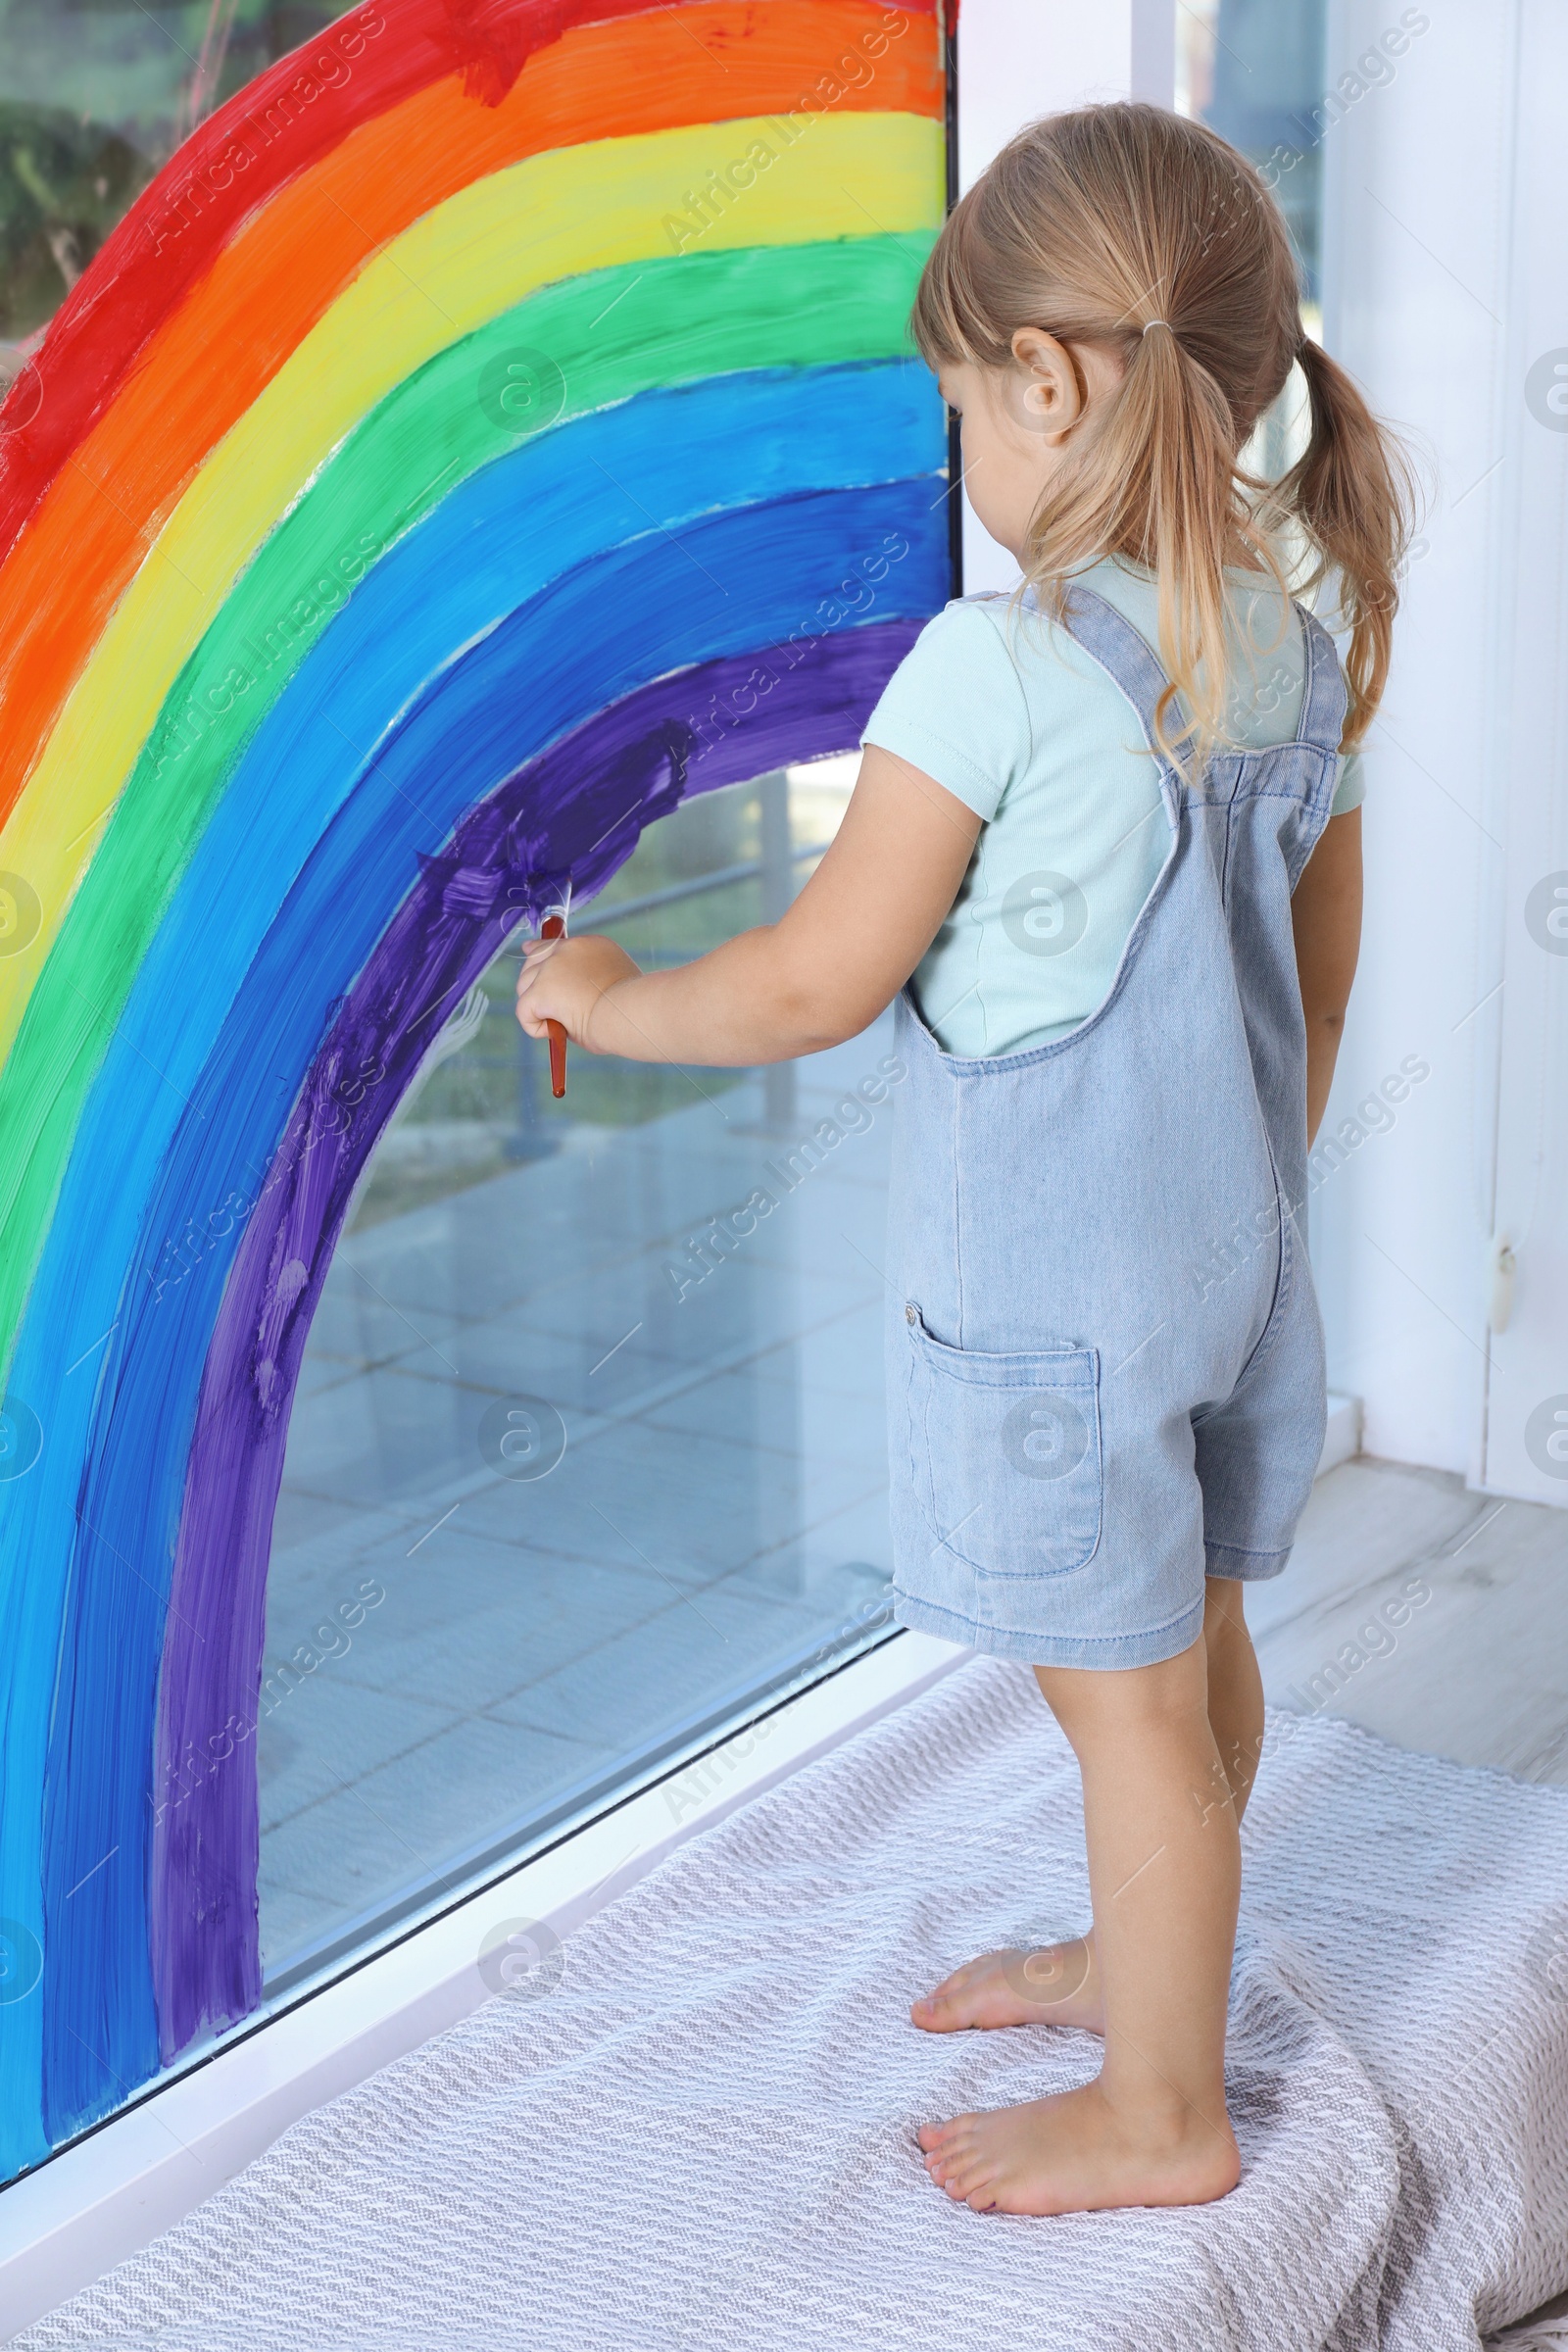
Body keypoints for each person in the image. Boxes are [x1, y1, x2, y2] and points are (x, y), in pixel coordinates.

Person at [515, 101, 1411, 2218]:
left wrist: (607, 998)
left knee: (1115, 1708)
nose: (959, 466)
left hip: (1067, 1295)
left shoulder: (989, 676)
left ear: (1048, 384)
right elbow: (1319, 968)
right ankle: (1138, 1958)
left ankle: (1161, 2108)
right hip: (1233, 1253)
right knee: (1184, 1655)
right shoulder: (1282, 641)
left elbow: (817, 981)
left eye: (955, 413)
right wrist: (1238, 1174)